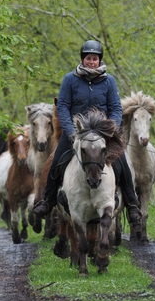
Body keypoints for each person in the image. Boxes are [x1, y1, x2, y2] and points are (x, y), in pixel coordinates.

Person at [33, 40, 142, 225]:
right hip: (77, 133)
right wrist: (70, 132)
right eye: (88, 58)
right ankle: (48, 201)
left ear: (99, 60)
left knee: (122, 161)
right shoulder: (70, 79)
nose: (91, 62)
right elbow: (64, 106)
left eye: (95, 58)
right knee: (57, 160)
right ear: (83, 59)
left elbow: (115, 108)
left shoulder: (109, 81)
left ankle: (132, 204)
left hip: (103, 133)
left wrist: (111, 129)